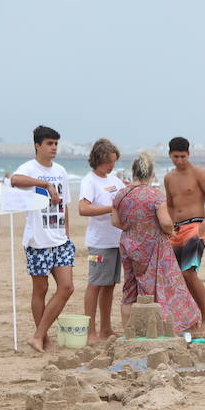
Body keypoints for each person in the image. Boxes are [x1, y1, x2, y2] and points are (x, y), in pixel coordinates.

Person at [111, 151, 201, 334]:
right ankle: (163, 328)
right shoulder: (154, 195)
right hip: (154, 247)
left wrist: (133, 228)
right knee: (165, 287)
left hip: (129, 245)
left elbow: (115, 221)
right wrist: (170, 232)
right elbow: (166, 222)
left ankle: (128, 331)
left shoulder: (120, 194)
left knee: (130, 290)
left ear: (133, 171)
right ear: (151, 174)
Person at [11, 125, 73, 354]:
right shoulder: (29, 168)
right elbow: (15, 180)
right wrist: (44, 184)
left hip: (60, 239)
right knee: (41, 289)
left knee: (66, 287)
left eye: (56, 143)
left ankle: (37, 335)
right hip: (37, 239)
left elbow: (65, 204)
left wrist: (67, 233)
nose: (54, 147)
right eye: (49, 143)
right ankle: (43, 338)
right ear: (38, 145)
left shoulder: (62, 171)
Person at [163, 137, 205, 333]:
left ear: (188, 154)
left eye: (182, 156)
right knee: (179, 277)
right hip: (176, 229)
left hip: (195, 226)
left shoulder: (198, 173)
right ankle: (190, 317)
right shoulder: (169, 178)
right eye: (175, 157)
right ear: (169, 155)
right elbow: (170, 203)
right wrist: (168, 225)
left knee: (189, 272)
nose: (179, 160)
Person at [78, 139, 123, 342]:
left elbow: (125, 195)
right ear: (99, 160)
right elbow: (83, 209)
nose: (112, 166)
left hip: (116, 241)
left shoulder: (113, 179)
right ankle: (91, 331)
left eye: (114, 162)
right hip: (99, 243)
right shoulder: (90, 181)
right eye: (109, 162)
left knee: (109, 286)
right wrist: (110, 209)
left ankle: (106, 328)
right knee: (95, 284)